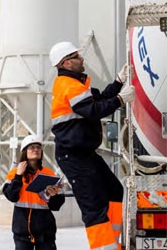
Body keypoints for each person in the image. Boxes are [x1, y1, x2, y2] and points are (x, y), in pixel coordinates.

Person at [49, 41, 135, 250]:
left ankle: (112, 243)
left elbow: (99, 99)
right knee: (93, 207)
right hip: (74, 156)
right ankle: (104, 247)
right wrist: (120, 101)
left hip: (84, 154)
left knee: (115, 191)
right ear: (66, 63)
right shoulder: (67, 86)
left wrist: (118, 81)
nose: (82, 59)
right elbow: (94, 110)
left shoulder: (77, 85)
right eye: (77, 57)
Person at [3, 134, 65, 250]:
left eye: (38, 147)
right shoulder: (14, 173)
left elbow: (56, 206)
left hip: (45, 233)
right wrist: (18, 176)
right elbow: (11, 196)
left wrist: (54, 196)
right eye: (32, 147)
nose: (36, 150)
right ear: (24, 151)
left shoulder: (49, 174)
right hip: (22, 232)